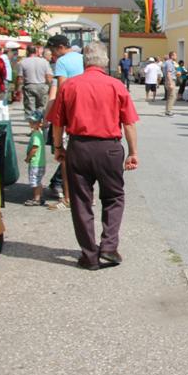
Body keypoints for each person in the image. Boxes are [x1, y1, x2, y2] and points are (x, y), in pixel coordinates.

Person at [48, 42, 139, 271]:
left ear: (85, 61)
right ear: (105, 61)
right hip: (109, 148)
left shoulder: (70, 86)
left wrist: (58, 147)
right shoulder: (116, 85)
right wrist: (133, 152)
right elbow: (128, 123)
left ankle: (89, 255)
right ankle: (108, 246)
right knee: (114, 197)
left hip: (79, 146)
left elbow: (57, 122)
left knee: (81, 201)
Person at [45, 33, 86, 206]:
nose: (53, 56)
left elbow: (63, 88)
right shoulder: (83, 58)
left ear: (61, 47)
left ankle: (68, 197)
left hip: (70, 111)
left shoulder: (62, 62)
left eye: (54, 51)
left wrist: (54, 116)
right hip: (85, 107)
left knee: (65, 155)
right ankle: (83, 194)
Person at [17, 44, 53, 119]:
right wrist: (49, 87)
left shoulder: (23, 62)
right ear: (36, 51)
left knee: (30, 108)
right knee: (41, 106)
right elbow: (49, 76)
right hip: (42, 86)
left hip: (29, 86)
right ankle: (39, 122)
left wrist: (18, 89)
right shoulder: (44, 62)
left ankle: (33, 126)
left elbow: (20, 78)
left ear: (27, 52)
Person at [23, 110, 47, 206]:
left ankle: (36, 199)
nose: (31, 124)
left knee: (35, 182)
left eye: (33, 122)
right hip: (40, 163)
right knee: (38, 181)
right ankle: (40, 197)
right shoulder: (39, 133)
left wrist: (28, 158)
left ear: (40, 123)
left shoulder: (36, 135)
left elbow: (34, 148)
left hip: (36, 163)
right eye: (30, 122)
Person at [163, 51, 179, 116]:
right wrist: (170, 83)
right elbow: (168, 73)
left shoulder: (168, 63)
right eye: (175, 55)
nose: (176, 57)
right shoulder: (169, 63)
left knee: (170, 96)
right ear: (172, 56)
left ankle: (168, 110)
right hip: (170, 80)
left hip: (169, 80)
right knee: (172, 96)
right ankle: (168, 111)